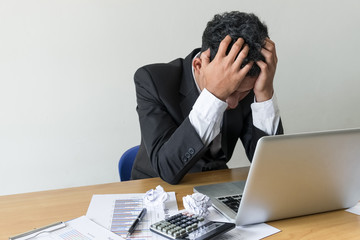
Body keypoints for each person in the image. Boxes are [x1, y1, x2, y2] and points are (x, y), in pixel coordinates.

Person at [131, 11, 284, 184]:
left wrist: (264, 94)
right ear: (198, 65)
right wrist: (215, 96)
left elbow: (270, 168)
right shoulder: (152, 80)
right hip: (157, 190)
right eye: (230, 92)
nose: (233, 103)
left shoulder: (248, 85)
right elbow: (167, 169)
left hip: (215, 186)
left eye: (243, 93)